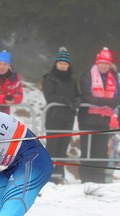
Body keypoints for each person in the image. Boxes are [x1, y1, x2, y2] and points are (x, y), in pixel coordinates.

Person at [78, 47, 120, 183]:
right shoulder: (88, 75)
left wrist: (107, 103)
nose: (104, 65)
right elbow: (87, 96)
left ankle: (99, 179)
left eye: (106, 63)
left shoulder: (113, 76)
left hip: (104, 120)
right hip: (88, 119)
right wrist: (106, 102)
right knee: (87, 150)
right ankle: (86, 179)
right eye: (102, 62)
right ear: (97, 63)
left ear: (109, 64)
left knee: (101, 151)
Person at [42, 47, 81, 184]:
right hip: (54, 117)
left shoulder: (72, 81)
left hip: (68, 117)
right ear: (56, 64)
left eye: (65, 64)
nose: (63, 66)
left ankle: (59, 176)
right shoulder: (49, 78)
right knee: (52, 147)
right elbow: (49, 96)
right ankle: (47, 176)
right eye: (61, 63)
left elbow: (77, 95)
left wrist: (77, 101)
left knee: (63, 148)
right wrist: (66, 101)